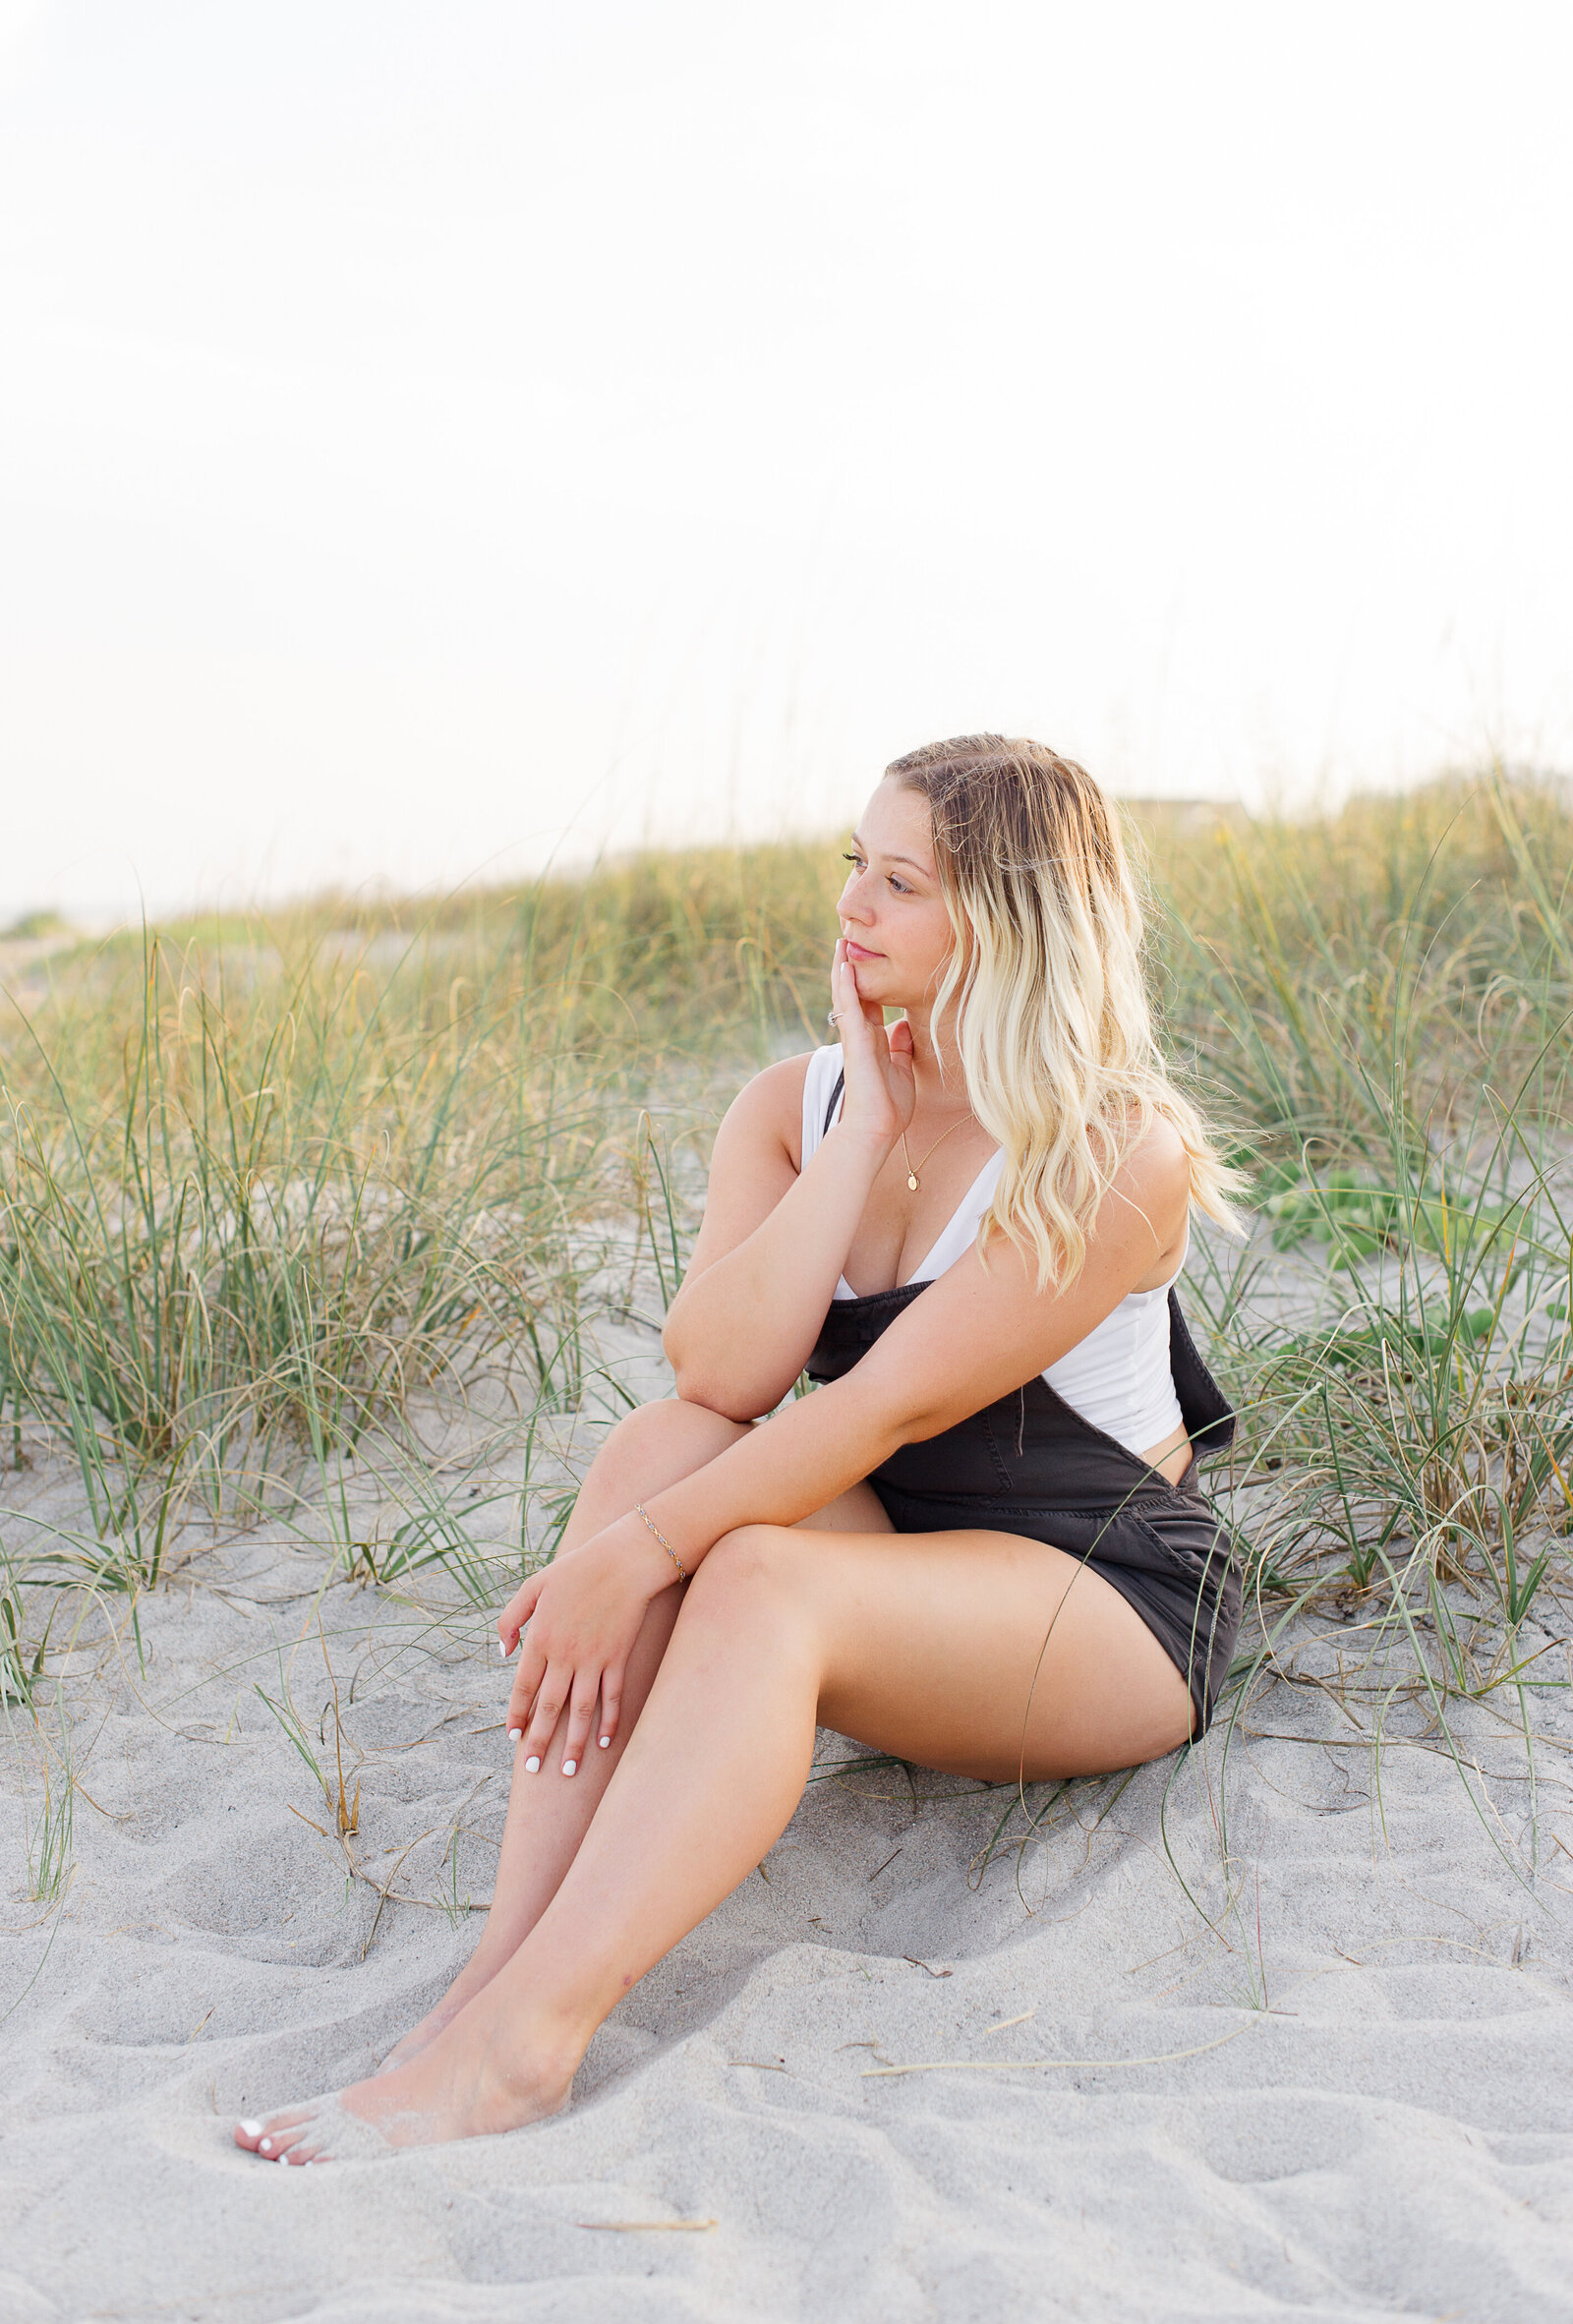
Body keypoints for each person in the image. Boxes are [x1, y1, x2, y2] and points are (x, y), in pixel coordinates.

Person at [235, 734, 1244, 2164]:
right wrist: (860, 1138)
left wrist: (635, 1562)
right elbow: (723, 1370)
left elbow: (878, 1409)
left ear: (1009, 922)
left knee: (756, 1572)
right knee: (662, 1448)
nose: (854, 907)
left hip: (1100, 1597)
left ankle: (529, 2044)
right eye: (857, 865)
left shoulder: (1111, 1148)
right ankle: (488, 1982)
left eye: (901, 882)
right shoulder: (798, 1105)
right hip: (904, 1562)